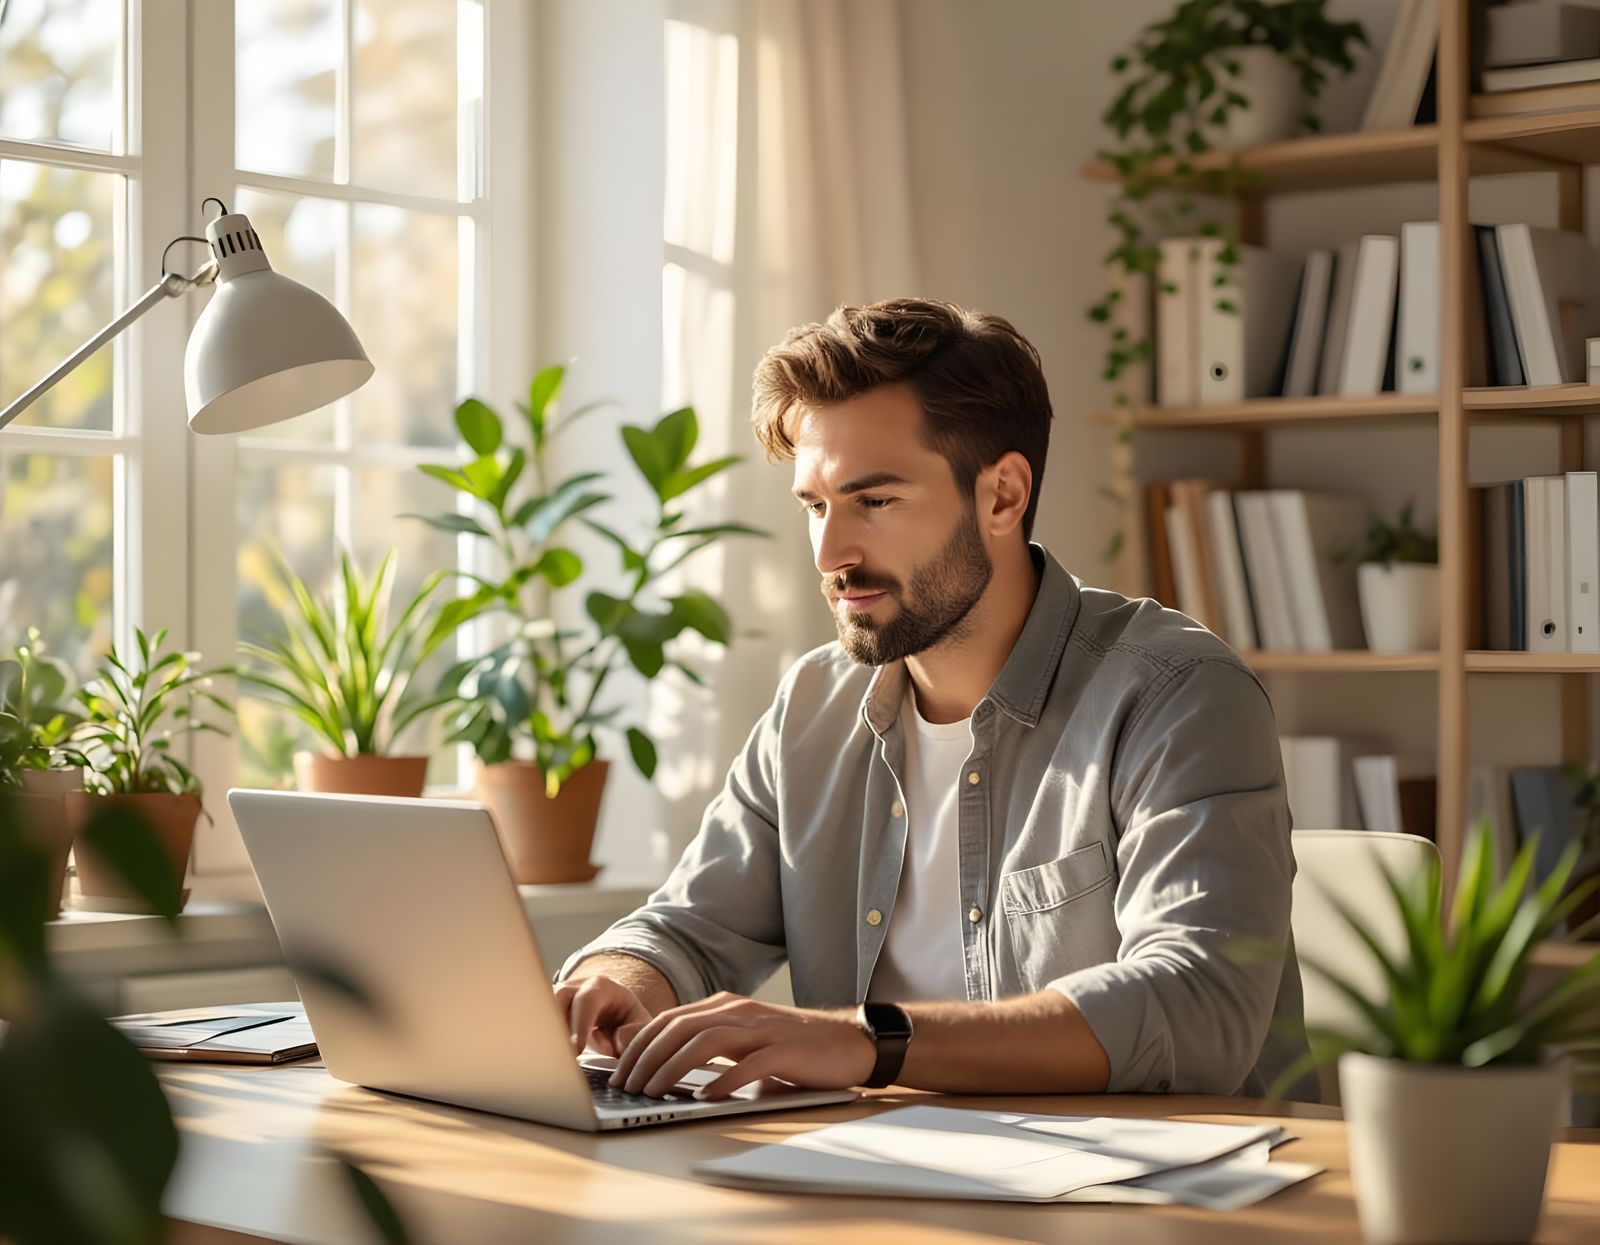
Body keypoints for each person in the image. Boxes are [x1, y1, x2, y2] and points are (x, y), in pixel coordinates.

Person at [555, 298, 1314, 1104]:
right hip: (891, 1181)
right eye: (816, 505)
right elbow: (687, 927)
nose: (831, 552)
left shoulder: (1177, 695)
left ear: (1002, 496)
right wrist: (617, 979)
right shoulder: (814, 703)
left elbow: (1196, 1008)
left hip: (1166, 1195)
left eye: (874, 501)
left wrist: (866, 1042)